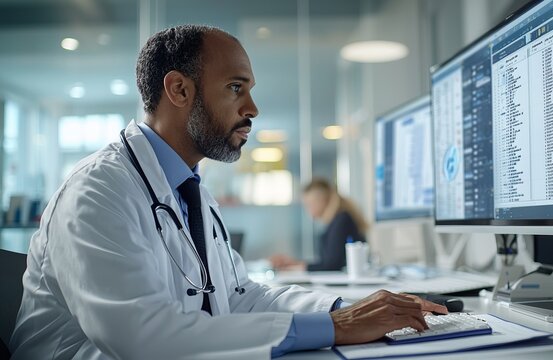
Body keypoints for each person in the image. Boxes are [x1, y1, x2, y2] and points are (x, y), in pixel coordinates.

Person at [9, 25, 447, 359]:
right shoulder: (97, 190)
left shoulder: (190, 191)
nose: (252, 109)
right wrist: (336, 326)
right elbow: (142, 337)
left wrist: (355, 307)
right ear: (179, 89)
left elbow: (242, 295)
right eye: (237, 88)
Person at [269, 177, 368, 271]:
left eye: (308, 204)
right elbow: (327, 261)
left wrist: (299, 267)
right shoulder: (337, 220)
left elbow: (332, 264)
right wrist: (296, 264)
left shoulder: (341, 220)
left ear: (321, 201)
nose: (307, 210)